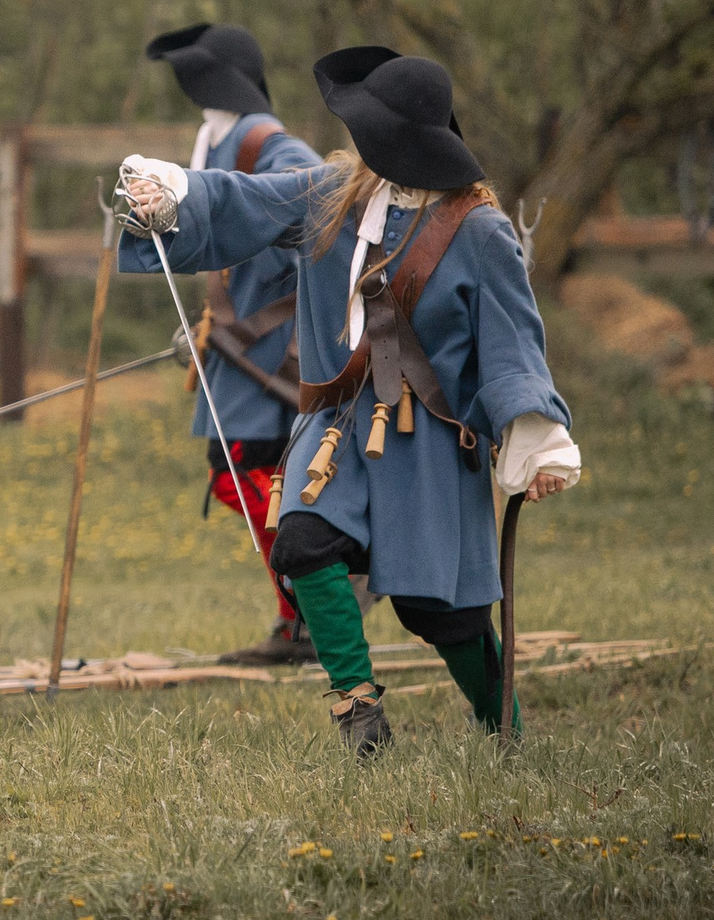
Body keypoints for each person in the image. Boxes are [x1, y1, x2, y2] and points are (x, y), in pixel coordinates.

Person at [117, 46, 578, 756]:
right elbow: (243, 199)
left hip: (429, 443)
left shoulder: (480, 231)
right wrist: (172, 194)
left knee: (443, 615)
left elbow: (513, 345)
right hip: (335, 428)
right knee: (302, 544)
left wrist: (535, 438)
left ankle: (505, 733)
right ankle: (360, 715)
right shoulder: (332, 195)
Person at [139, 23, 328, 665]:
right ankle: (304, 613)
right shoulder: (219, 139)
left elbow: (314, 202)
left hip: (271, 352)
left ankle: (315, 604)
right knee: (246, 481)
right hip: (240, 350)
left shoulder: (268, 141)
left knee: (253, 480)